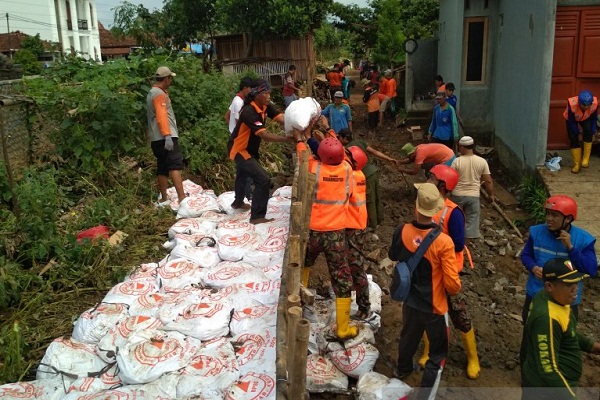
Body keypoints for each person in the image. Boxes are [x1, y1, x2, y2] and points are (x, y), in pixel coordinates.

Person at [388, 183, 461, 400]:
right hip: (435, 307)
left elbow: (393, 256)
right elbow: (452, 285)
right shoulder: (443, 242)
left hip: (409, 300)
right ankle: (426, 396)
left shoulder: (402, 230)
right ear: (435, 210)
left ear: (416, 207)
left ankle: (403, 370)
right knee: (437, 355)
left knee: (409, 338)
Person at [292, 125, 358, 340]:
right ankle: (343, 327)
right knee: (341, 278)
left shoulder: (314, 168)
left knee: (304, 265)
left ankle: (300, 305)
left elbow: (304, 154)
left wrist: (301, 138)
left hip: (312, 231)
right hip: (336, 234)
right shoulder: (348, 170)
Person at [417, 165, 480, 380]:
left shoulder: (453, 213)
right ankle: (428, 351)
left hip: (449, 271)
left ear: (442, 186)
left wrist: (435, 247)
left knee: (458, 313)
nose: (428, 180)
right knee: (428, 311)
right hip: (427, 269)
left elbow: (459, 245)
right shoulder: (424, 203)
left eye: (431, 178)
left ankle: (473, 357)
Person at [520, 257, 600, 400]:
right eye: (568, 284)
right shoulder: (546, 318)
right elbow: (548, 368)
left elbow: (567, 332)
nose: (575, 288)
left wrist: (591, 346)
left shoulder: (554, 299)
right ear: (550, 286)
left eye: (576, 281)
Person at [520, 195, 597, 324]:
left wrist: (570, 248)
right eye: (548, 214)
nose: (549, 219)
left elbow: (591, 269)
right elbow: (526, 255)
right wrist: (533, 268)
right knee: (530, 335)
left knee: (565, 339)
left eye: (555, 215)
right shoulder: (536, 232)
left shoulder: (583, 239)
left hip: (567, 301)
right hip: (537, 295)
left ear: (568, 219)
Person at [227, 80, 290, 224]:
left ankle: (238, 202)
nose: (268, 96)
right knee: (263, 179)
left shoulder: (265, 106)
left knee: (242, 175)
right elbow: (264, 135)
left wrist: (296, 125)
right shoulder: (249, 111)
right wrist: (287, 139)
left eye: (269, 93)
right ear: (256, 95)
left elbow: (281, 119)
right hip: (239, 149)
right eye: (265, 93)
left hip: (249, 149)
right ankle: (257, 216)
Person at [338, 128, 398, 229]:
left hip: (366, 175)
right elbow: (374, 151)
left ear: (345, 138)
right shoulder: (360, 142)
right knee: (376, 196)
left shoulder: (348, 149)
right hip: (374, 171)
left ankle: (373, 225)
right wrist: (389, 158)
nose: (338, 139)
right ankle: (380, 217)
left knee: (369, 200)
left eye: (339, 137)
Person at [146, 66, 186, 206]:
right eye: (170, 78)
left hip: (156, 138)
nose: (171, 81)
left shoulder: (152, 93)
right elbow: (161, 115)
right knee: (175, 165)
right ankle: (182, 199)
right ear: (166, 79)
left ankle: (164, 198)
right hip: (165, 137)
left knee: (162, 167)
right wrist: (168, 136)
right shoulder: (159, 95)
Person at [450, 136, 494, 243]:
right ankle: (466, 248)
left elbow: (450, 178)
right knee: (471, 222)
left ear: (462, 147)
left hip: (457, 195)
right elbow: (488, 181)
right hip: (473, 196)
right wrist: (491, 195)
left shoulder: (457, 161)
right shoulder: (482, 161)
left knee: (456, 220)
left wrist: (448, 192)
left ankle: (454, 244)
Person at [345, 145, 370, 318]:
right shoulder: (359, 174)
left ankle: (364, 307)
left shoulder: (352, 177)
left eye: (347, 157)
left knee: (356, 265)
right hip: (357, 224)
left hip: (353, 226)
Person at [564, 90, 598, 173]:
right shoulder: (572, 104)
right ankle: (577, 164)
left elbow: (594, 119)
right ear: (579, 103)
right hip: (571, 119)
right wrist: (577, 133)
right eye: (583, 105)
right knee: (573, 138)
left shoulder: (594, 104)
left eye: (588, 105)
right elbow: (572, 121)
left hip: (586, 117)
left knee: (588, 130)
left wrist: (593, 132)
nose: (586, 107)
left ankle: (585, 159)